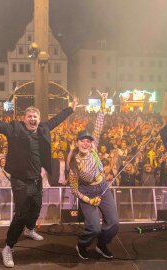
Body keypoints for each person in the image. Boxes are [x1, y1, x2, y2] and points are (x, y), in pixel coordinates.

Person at [0, 97, 77, 268]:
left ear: (39, 120)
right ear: (24, 118)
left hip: (36, 179)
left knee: (37, 205)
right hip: (19, 179)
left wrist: (70, 109)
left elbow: (57, 120)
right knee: (21, 213)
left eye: (35, 117)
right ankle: (8, 247)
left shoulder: (43, 129)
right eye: (30, 116)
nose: (33, 119)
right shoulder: (14, 128)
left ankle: (29, 229)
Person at [67, 92, 118, 260]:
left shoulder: (94, 149)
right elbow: (74, 190)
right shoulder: (74, 164)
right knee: (94, 228)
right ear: (77, 142)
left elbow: (98, 124)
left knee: (113, 224)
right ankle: (82, 244)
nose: (86, 143)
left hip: (103, 187)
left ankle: (101, 245)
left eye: (88, 140)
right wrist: (89, 200)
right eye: (82, 140)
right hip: (86, 192)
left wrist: (103, 102)